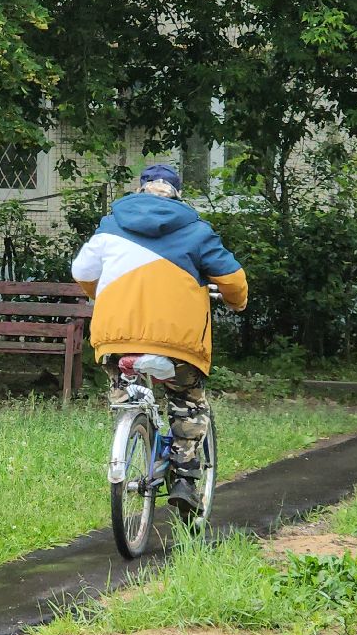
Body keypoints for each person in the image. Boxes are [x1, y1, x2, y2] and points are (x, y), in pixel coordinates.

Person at [70, 163, 248, 511]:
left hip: (116, 338)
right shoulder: (196, 231)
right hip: (175, 344)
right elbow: (234, 280)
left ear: (141, 190)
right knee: (187, 403)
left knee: (128, 396)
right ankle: (184, 476)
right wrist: (235, 301)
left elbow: (82, 272)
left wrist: (100, 292)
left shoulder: (110, 226)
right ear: (177, 196)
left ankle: (133, 432)